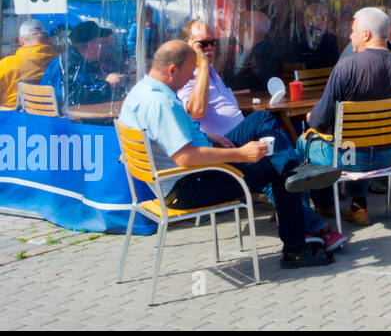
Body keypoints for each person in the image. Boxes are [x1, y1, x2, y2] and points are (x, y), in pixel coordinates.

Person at [119, 41, 336, 268]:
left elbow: (171, 138)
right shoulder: (161, 103)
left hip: (181, 177)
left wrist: (208, 135)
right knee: (275, 166)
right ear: (172, 70)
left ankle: (294, 170)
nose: (192, 77)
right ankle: (296, 249)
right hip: (189, 185)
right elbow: (185, 158)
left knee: (259, 119)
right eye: (190, 72)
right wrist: (240, 154)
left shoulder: (141, 91)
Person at [177, 19, 347, 252]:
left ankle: (315, 230)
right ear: (186, 46)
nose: (209, 49)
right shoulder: (188, 75)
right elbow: (196, 110)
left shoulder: (211, 72)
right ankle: (296, 170)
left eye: (212, 43)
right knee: (261, 120)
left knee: (279, 173)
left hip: (240, 146)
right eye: (202, 44)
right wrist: (203, 66)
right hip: (222, 153)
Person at [297, 7, 391, 227]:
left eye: (353, 31)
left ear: (366, 34)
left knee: (303, 141)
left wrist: (311, 117)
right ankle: (358, 205)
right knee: (352, 141)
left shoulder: (346, 67)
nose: (350, 36)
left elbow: (320, 120)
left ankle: (321, 206)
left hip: (350, 160)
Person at [41, 21, 124, 107]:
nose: (103, 45)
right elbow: (72, 98)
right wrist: (108, 85)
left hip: (54, 117)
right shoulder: (71, 64)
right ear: (91, 45)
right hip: (62, 119)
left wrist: (99, 79)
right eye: (101, 41)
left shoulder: (73, 60)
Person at [0, 20, 59, 109]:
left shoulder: (6, 65)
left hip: (13, 119)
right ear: (47, 40)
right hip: (50, 119)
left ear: (21, 41)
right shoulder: (60, 63)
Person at [226, 11, 281, 92]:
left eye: (241, 25)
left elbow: (253, 82)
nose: (237, 30)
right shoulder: (243, 50)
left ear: (253, 29)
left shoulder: (267, 53)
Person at [297, 3, 341, 70]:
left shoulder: (331, 39)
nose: (308, 21)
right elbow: (296, 62)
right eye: (308, 17)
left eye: (325, 16)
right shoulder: (300, 38)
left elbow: (333, 63)